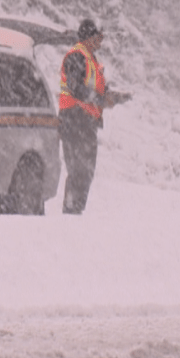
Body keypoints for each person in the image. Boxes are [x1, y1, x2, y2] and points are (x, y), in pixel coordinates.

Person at [58, 18, 126, 214]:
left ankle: (75, 212)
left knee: (85, 172)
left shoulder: (90, 59)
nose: (100, 42)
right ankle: (71, 213)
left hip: (85, 123)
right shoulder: (77, 56)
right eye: (97, 37)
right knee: (78, 171)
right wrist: (99, 99)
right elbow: (76, 88)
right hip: (74, 120)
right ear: (89, 37)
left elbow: (96, 89)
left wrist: (112, 97)